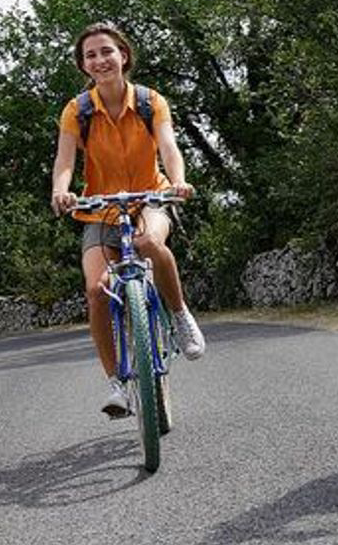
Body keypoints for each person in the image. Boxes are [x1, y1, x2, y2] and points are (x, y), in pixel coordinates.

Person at [51, 22, 206, 418]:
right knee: (96, 290)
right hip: (100, 208)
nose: (100, 60)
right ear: (83, 66)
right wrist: (61, 191)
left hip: (150, 197)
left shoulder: (151, 101)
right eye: (91, 55)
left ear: (124, 55)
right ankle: (116, 384)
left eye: (107, 51)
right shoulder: (77, 111)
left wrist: (179, 181)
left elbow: (169, 146)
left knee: (148, 244)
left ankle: (179, 314)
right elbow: (64, 161)